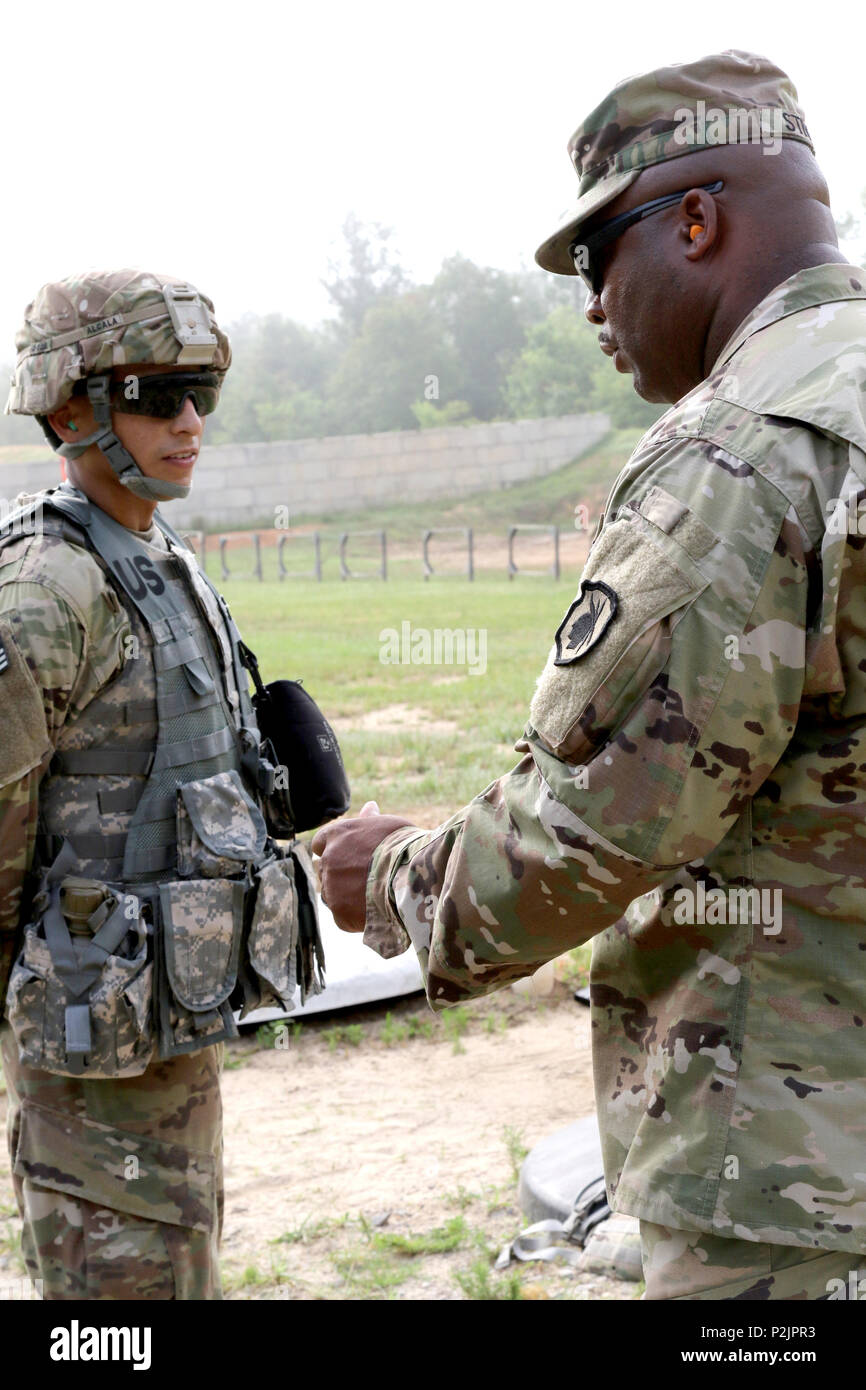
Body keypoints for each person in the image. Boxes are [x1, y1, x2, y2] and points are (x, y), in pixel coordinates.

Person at [313, 51, 866, 1300]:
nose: (590, 305)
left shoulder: (742, 456)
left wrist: (394, 877)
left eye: (596, 256)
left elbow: (592, 831)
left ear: (694, 220)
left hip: (791, 1183)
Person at [0, 270, 316, 1299]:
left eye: (200, 396)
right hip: (91, 1040)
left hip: (162, 1023)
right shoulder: (44, 588)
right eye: (150, 396)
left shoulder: (154, 550)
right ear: (68, 409)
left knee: (175, 1269)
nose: (187, 421)